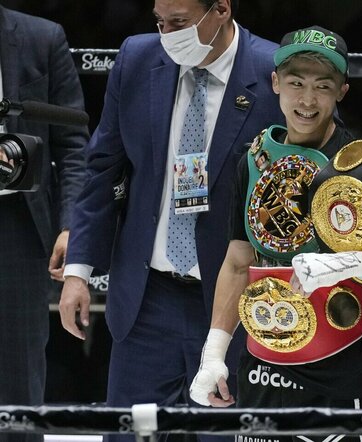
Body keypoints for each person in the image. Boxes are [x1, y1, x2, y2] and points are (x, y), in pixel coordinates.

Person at [188, 25, 362, 442]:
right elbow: (238, 262)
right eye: (296, 83)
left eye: (322, 86)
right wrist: (214, 351)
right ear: (275, 84)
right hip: (262, 364)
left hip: (339, 365)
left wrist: (354, 262)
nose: (307, 100)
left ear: (342, 90)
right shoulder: (253, 159)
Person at [58, 1, 282, 441]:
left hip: (235, 303)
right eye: (159, 21)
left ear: (221, 9)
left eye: (178, 23)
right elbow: (104, 165)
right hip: (146, 300)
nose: (166, 33)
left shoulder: (273, 70)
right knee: (129, 434)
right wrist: (78, 271)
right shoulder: (139, 58)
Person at [0, 5, 88, 442]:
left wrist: (71, 224)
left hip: (17, 226)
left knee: (18, 377)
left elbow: (73, 143)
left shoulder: (40, 37)